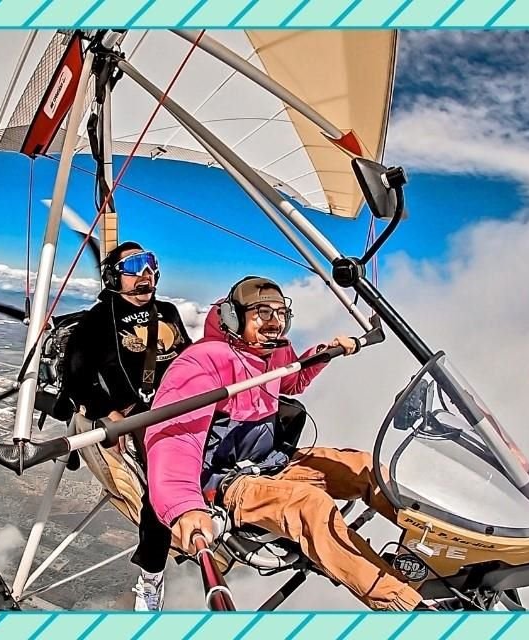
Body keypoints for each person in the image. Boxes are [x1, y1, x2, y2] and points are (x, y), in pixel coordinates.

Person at [144, 276, 427, 611]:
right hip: (229, 481)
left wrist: (321, 356)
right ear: (234, 318)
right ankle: (402, 603)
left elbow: (293, 380)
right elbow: (176, 434)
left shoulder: (275, 353)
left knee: (363, 467)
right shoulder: (204, 360)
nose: (274, 321)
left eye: (280, 313)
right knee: (311, 505)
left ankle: (437, 540)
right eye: (262, 312)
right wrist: (183, 507)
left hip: (272, 462)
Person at [62, 241, 192, 611]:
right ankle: (151, 573)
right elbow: (75, 375)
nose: (146, 271)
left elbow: (192, 356)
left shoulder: (167, 311)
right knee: (163, 478)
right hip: (142, 413)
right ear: (114, 277)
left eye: (151, 262)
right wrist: (109, 413)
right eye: (135, 265)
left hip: (184, 403)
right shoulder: (99, 319)